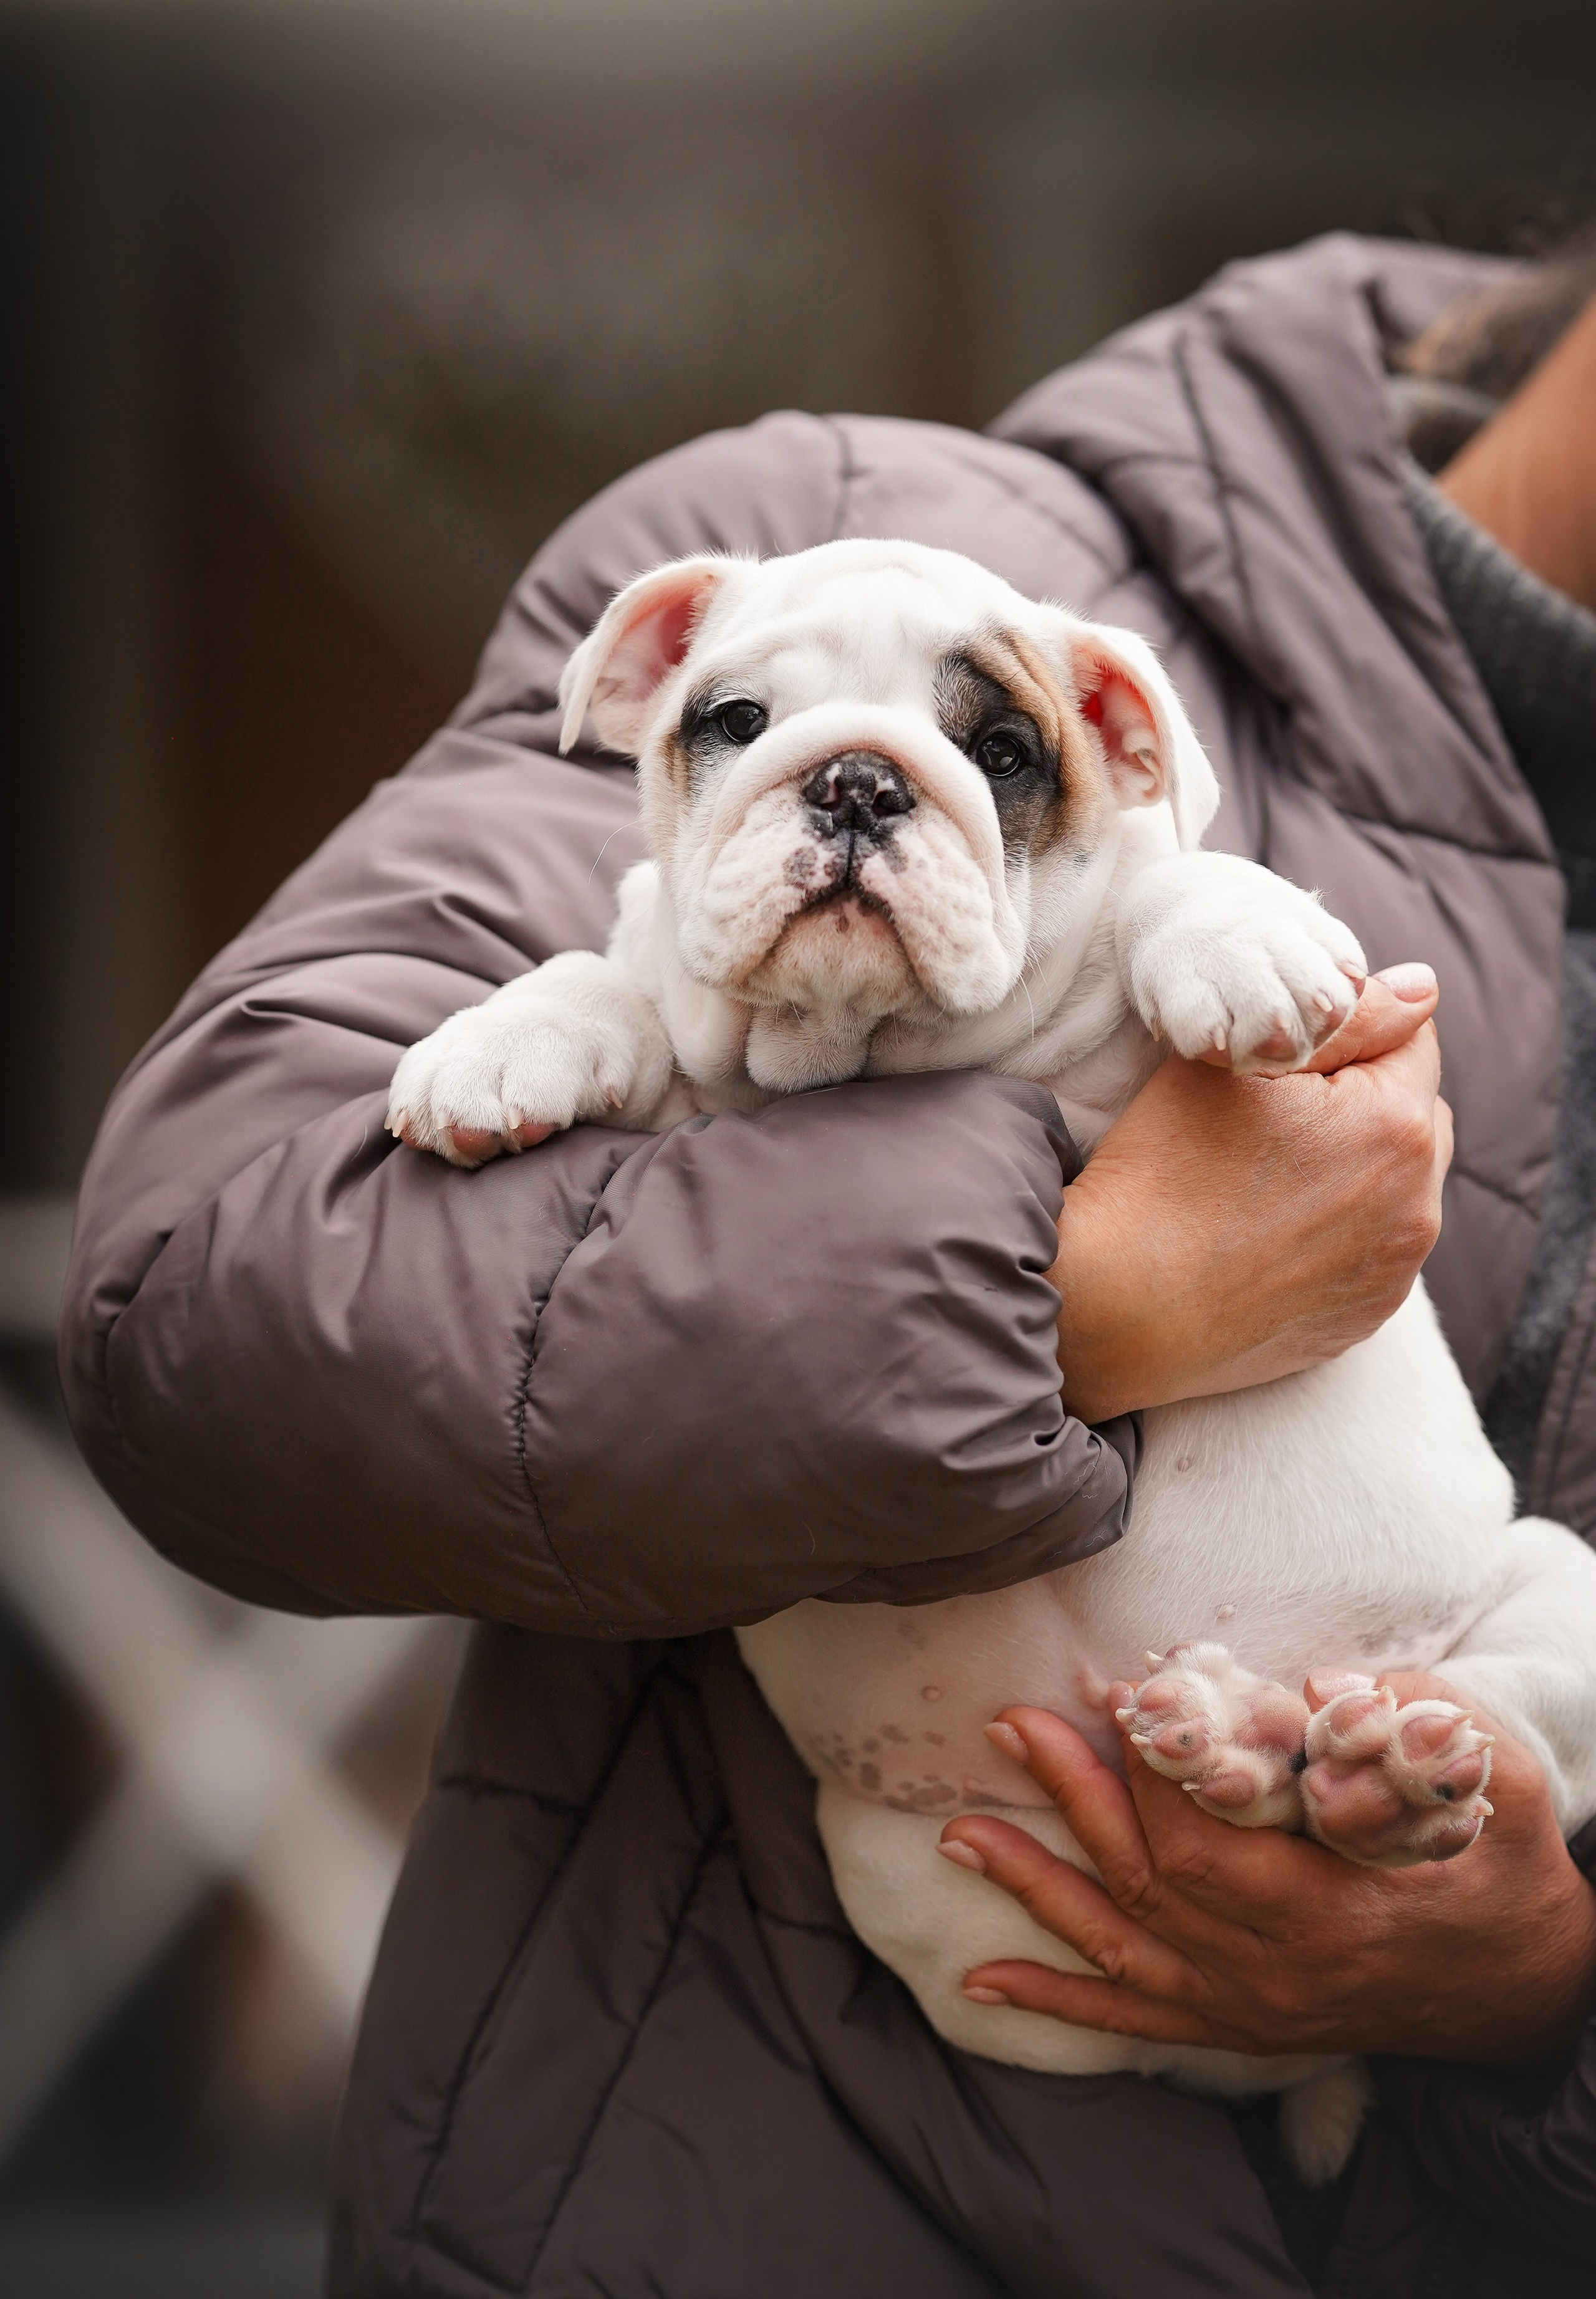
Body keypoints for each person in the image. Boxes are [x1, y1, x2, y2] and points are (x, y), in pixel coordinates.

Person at [57, 231, 1596, 2297]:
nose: (862, 796)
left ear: (1117, 756)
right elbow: (215, 1299)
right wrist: (1088, 1297)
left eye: (988, 758)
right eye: (758, 732)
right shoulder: (799, 531)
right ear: (648, 694)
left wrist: (1543, 1992)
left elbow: (1164, 902)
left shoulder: (1158, 882)